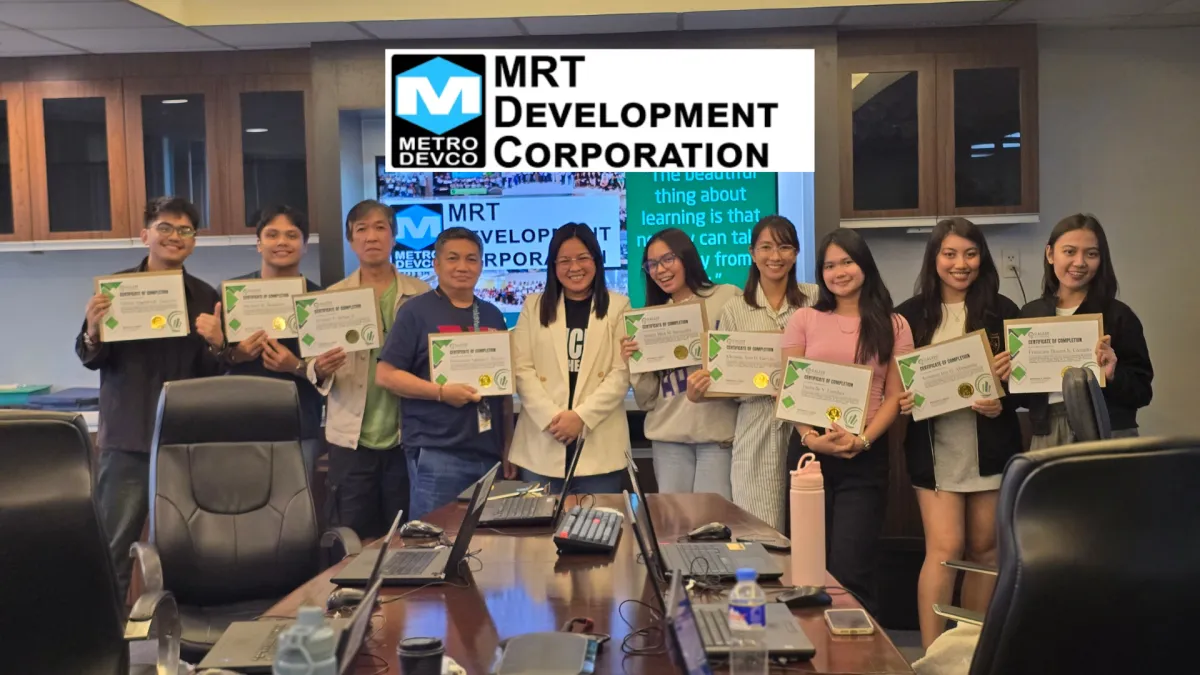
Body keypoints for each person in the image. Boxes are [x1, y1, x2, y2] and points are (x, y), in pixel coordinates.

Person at [76, 196, 227, 602]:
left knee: (191, 547)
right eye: (165, 227)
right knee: (112, 548)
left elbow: (213, 374)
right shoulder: (114, 291)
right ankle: (108, 635)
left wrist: (218, 344)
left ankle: (188, 629)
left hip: (186, 444)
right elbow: (90, 357)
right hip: (128, 442)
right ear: (146, 235)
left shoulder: (205, 296)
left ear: (193, 241)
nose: (175, 236)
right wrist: (93, 330)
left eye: (185, 230)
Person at [894, 218, 1023, 649]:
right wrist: (903, 398)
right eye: (949, 254)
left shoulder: (1004, 311)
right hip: (935, 448)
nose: (960, 264)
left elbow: (1023, 383)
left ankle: (967, 653)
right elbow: (893, 380)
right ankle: (932, 656)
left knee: (985, 550)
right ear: (934, 258)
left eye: (970, 254)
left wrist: (1003, 399)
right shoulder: (909, 315)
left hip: (989, 444)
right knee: (945, 548)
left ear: (981, 258)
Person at [781, 228, 913, 615]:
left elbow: (894, 395)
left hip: (865, 456)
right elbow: (788, 389)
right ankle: (811, 643)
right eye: (829, 266)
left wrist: (863, 440)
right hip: (809, 456)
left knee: (852, 567)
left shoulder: (895, 324)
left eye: (847, 262)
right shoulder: (803, 319)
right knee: (807, 567)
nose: (838, 272)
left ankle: (856, 645)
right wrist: (810, 438)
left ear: (865, 265)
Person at [685, 215, 818, 530]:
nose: (775, 256)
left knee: (810, 528)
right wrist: (702, 388)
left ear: (796, 253)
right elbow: (724, 378)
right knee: (760, 530)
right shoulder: (735, 309)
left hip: (809, 426)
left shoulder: (814, 299)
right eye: (766, 247)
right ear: (752, 253)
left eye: (784, 247)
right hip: (756, 427)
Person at [309, 200, 429, 538]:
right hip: (351, 441)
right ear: (351, 240)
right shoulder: (332, 297)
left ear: (394, 235)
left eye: (380, 228)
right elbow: (312, 367)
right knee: (351, 539)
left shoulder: (421, 295)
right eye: (361, 229)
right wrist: (320, 367)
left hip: (406, 438)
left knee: (406, 538)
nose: (371, 237)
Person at [376, 227, 514, 521]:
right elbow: (385, 375)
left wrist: (507, 447)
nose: (462, 267)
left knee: (487, 541)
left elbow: (503, 393)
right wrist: (440, 393)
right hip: (437, 453)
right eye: (453, 258)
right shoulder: (415, 312)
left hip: (488, 453)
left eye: (471, 259)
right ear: (436, 265)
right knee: (432, 540)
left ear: (481, 265)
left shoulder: (492, 314)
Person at [1010, 214, 1152, 447]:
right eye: (1069, 251)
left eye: (1091, 254)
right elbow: (1025, 399)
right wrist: (1011, 376)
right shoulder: (1030, 314)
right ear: (1050, 254)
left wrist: (1112, 375)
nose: (1079, 262)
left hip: (1109, 430)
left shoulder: (1118, 315)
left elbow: (1142, 392)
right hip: (1048, 433)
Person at [509, 223, 632, 494]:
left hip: (600, 444)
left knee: (596, 521)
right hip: (542, 442)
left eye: (582, 258)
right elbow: (522, 369)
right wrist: (554, 419)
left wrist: (581, 417)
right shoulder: (533, 306)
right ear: (553, 266)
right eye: (564, 260)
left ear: (596, 260)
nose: (574, 267)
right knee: (539, 521)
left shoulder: (618, 306)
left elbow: (622, 371)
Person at [623, 227, 739, 498]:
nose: (660, 270)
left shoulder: (727, 296)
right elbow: (647, 399)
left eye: (668, 259)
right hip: (668, 438)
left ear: (686, 257)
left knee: (713, 519)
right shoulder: (650, 318)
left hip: (717, 436)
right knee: (674, 520)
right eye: (652, 264)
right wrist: (634, 362)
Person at [226, 205, 325, 479]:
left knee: (297, 504)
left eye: (292, 235)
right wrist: (236, 354)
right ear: (258, 244)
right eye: (272, 235)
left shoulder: (320, 300)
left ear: (305, 246)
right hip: (240, 428)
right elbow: (210, 364)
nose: (282, 242)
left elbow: (333, 374)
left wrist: (296, 366)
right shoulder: (231, 296)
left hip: (299, 428)